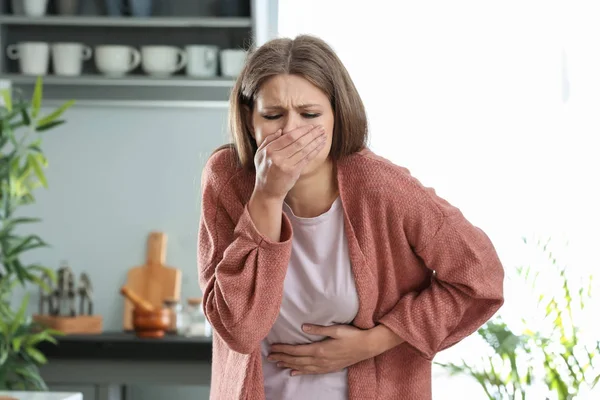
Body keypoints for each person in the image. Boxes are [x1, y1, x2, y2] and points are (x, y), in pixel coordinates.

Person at [197, 34, 504, 400]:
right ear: (250, 121)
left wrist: (375, 341)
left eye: (309, 115)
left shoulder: (382, 187)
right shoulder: (227, 179)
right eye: (273, 115)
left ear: (337, 116)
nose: (292, 131)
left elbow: (480, 277)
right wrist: (267, 196)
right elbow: (239, 329)